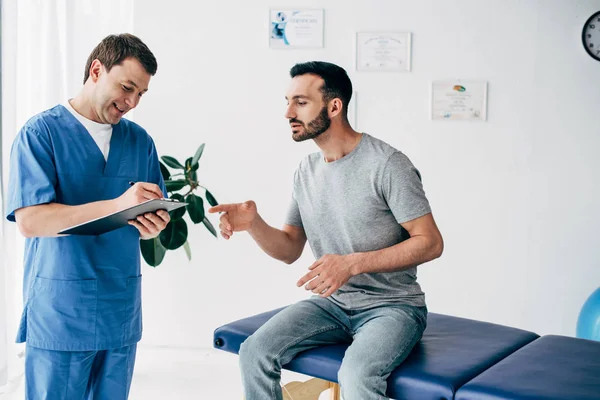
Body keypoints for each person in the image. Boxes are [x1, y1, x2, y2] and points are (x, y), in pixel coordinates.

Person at [208, 61, 444, 400]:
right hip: (331, 305)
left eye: (301, 102)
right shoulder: (306, 170)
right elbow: (289, 249)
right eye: (287, 101)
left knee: (357, 374)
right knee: (254, 352)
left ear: (334, 106)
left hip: (392, 307)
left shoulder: (388, 164)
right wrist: (254, 225)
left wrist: (352, 264)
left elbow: (431, 243)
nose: (288, 111)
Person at [5, 33, 169, 399]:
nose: (132, 102)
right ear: (96, 70)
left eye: (141, 94)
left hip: (119, 308)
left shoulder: (140, 141)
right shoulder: (41, 134)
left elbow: (149, 220)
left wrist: (153, 225)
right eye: (127, 87)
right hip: (62, 310)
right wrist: (117, 204)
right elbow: (31, 221)